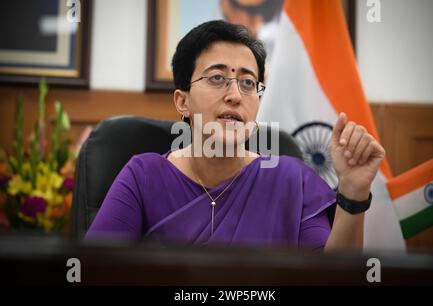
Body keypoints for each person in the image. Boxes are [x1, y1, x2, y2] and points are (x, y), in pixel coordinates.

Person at [86, 20, 385, 252]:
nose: (234, 95)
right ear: (182, 101)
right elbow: (98, 270)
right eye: (217, 78)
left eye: (247, 82)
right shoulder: (143, 177)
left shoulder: (293, 180)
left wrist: (353, 190)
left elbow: (331, 279)